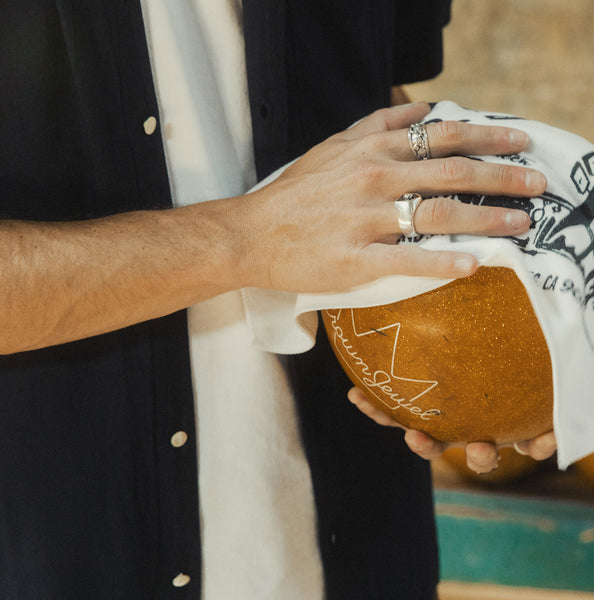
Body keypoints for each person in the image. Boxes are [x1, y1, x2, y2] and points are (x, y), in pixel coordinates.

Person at [0, 1, 554, 599]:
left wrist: (517, 333)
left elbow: (380, 100)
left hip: (358, 551)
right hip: (59, 554)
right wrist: (246, 237)